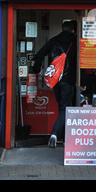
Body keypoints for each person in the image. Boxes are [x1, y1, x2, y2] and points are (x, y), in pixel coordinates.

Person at [33, 20, 77, 148]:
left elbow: (39, 54)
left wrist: (37, 69)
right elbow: (79, 62)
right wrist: (82, 81)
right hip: (68, 80)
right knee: (64, 108)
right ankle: (55, 134)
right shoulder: (74, 41)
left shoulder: (54, 40)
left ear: (62, 29)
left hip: (55, 79)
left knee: (62, 108)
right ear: (73, 30)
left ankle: (63, 137)